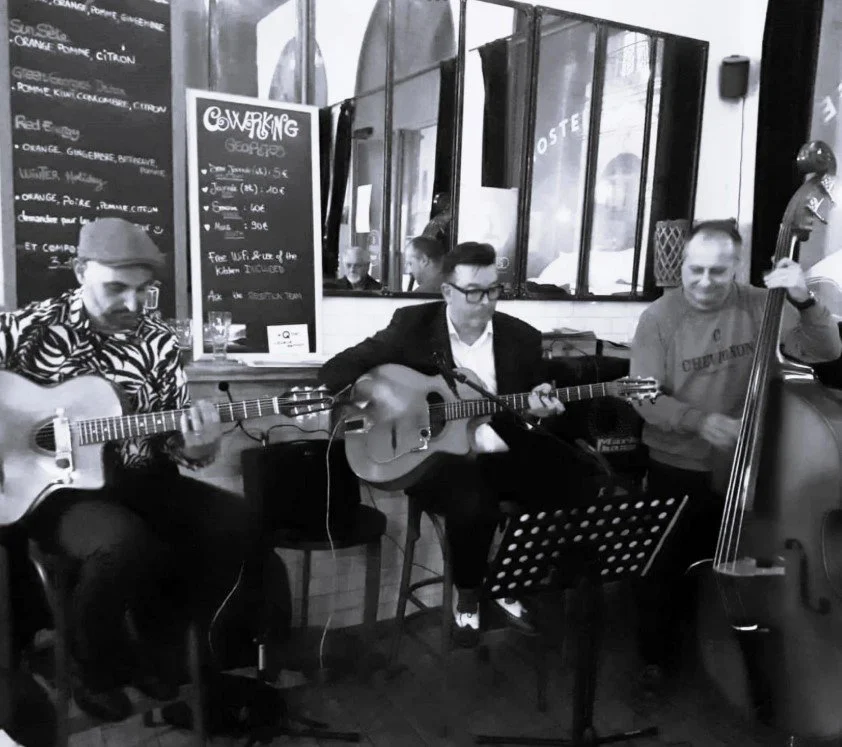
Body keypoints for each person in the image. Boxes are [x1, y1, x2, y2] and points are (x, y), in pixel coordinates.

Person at [0, 218, 248, 722]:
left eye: (143, 291)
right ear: (79, 272)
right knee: (122, 543)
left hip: (142, 477)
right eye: (116, 288)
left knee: (235, 521)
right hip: (57, 492)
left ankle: (165, 647)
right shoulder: (25, 330)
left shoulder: (157, 343)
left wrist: (198, 446)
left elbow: (176, 445)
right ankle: (94, 665)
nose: (132, 306)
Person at [629, 218, 842, 688]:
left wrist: (804, 300)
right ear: (681, 266)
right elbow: (642, 396)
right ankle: (655, 660)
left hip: (752, 467)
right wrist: (697, 421)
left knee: (746, 564)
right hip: (678, 464)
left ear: (737, 269)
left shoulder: (762, 305)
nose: (704, 282)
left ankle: (736, 652)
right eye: (696, 270)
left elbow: (826, 350)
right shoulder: (659, 318)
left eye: (718, 272)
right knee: (663, 571)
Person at [319, 242, 565, 646]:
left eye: (493, 290)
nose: (485, 301)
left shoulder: (521, 337)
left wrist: (540, 407)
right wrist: (359, 406)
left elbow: (531, 404)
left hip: (501, 445)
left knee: (567, 476)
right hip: (430, 456)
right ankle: (468, 595)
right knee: (474, 502)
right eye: (473, 291)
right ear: (447, 291)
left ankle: (508, 582)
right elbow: (342, 367)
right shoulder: (412, 326)